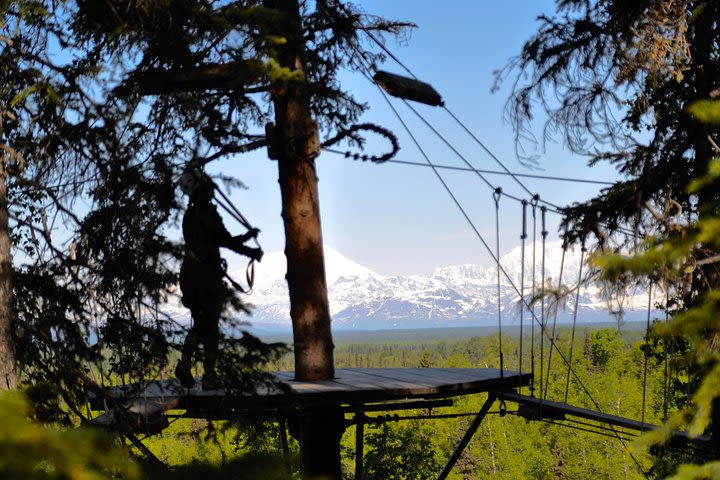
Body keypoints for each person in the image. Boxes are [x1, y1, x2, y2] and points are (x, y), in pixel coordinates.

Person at [175, 169, 263, 390]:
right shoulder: (208, 215)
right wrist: (250, 248)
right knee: (210, 328)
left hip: (190, 276)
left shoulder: (190, 216)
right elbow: (224, 240)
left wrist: (245, 238)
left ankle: (185, 365)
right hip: (206, 278)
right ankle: (209, 376)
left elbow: (217, 239)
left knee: (200, 325)